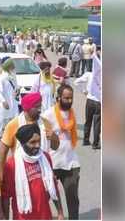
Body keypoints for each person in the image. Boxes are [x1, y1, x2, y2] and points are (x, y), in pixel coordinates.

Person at [1, 124, 64, 220]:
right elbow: (5, 197)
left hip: (45, 216)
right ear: (22, 143)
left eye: (39, 141)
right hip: (22, 217)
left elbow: (53, 186)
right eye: (32, 142)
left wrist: (60, 213)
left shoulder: (45, 158)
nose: (37, 145)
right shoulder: (12, 164)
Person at [0, 92, 59, 180]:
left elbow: (55, 147)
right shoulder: (13, 125)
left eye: (40, 106)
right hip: (20, 173)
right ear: (27, 108)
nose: (39, 109)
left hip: (43, 172)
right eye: (36, 107)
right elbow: (2, 153)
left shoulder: (45, 123)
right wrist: (1, 176)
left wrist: (54, 138)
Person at [40, 84, 80, 220]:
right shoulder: (48, 115)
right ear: (58, 98)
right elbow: (44, 142)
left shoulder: (72, 113)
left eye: (71, 98)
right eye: (66, 98)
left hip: (71, 162)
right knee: (46, 195)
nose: (69, 101)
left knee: (73, 198)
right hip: (52, 163)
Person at [74, 47, 101, 149]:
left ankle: (86, 140)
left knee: (88, 121)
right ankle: (95, 143)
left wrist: (84, 91)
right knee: (97, 123)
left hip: (89, 100)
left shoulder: (89, 74)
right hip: (99, 102)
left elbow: (76, 82)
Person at [0, 58, 19, 139]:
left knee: (15, 117)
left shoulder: (13, 75)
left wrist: (17, 90)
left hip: (13, 100)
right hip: (4, 102)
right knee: (1, 118)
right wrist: (3, 101)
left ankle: (13, 133)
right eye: (12, 65)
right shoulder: (2, 77)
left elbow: (15, 86)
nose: (14, 67)